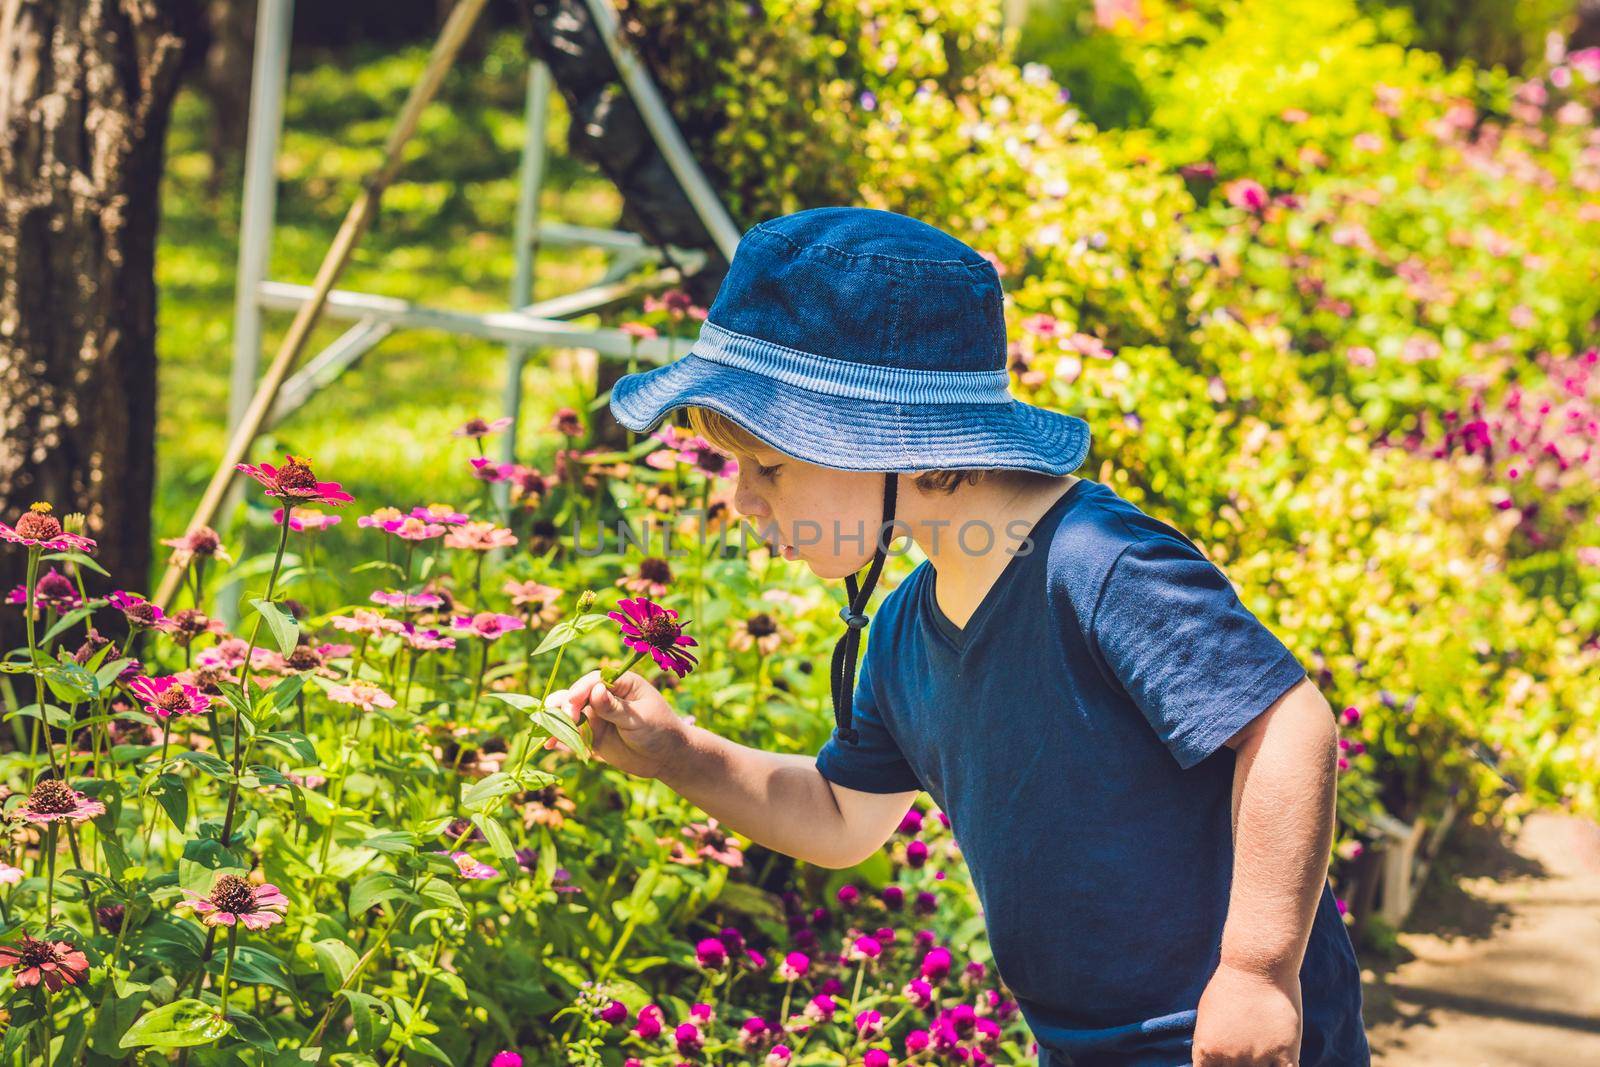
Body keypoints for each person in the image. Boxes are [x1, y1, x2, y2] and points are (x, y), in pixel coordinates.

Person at [550, 206, 1370, 1066]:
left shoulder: (1095, 564)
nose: (740, 501)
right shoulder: (906, 630)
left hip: (1226, 1035)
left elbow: (1289, 725)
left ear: (888, 440)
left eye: (769, 466)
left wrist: (1256, 969)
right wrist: (679, 751)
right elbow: (840, 818)